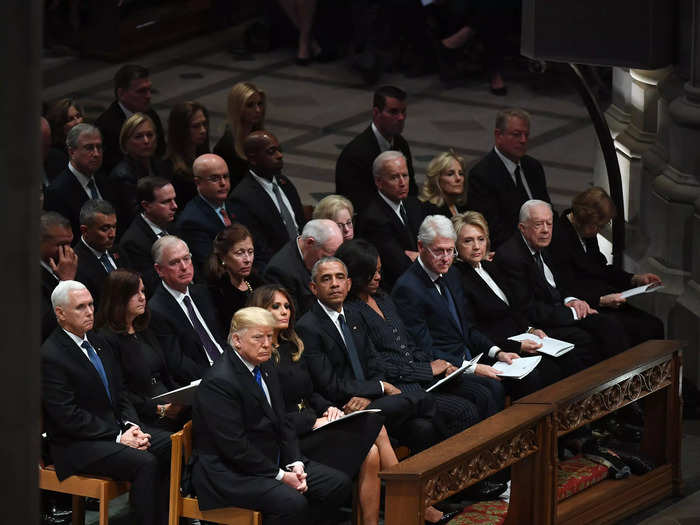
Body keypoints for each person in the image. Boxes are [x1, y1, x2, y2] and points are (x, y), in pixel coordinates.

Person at [248, 285, 456, 525]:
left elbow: (311, 391)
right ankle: (418, 505)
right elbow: (274, 413)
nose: (284, 311)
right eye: (275, 306)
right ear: (259, 310)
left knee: (372, 451)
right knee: (375, 426)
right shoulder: (260, 356)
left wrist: (327, 408)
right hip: (293, 437)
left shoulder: (291, 346)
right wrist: (314, 419)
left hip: (315, 421)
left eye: (286, 306)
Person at [191, 307, 352, 525]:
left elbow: (282, 419)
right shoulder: (219, 382)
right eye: (258, 337)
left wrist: (295, 462)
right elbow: (234, 447)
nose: (267, 344)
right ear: (237, 340)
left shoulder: (265, 364)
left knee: (338, 484)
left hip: (269, 458)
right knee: (293, 503)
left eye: (269, 336)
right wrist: (281, 476)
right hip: (231, 473)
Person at [41, 280, 171, 525]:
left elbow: (120, 392)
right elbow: (68, 417)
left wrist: (132, 426)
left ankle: (163, 518)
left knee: (169, 444)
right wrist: (118, 436)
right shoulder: (51, 355)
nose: (90, 311)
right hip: (75, 445)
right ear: (60, 313)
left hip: (109, 431)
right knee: (146, 462)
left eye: (91, 304)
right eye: (80, 307)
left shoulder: (97, 341)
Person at [337, 239, 495, 431]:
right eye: (372, 273)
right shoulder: (351, 312)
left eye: (379, 270)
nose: (378, 277)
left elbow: (408, 344)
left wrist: (441, 366)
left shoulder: (383, 298)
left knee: (484, 391)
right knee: (465, 411)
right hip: (400, 387)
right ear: (356, 275)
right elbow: (377, 364)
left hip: (421, 376)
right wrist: (428, 369)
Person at [297, 257, 447, 454]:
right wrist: (380, 387)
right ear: (313, 287)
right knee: (423, 400)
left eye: (340, 277)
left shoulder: (353, 314)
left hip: (372, 401)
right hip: (343, 409)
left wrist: (371, 394)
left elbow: (375, 362)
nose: (334, 284)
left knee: (423, 429)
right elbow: (329, 385)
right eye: (326, 279)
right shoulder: (308, 327)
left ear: (348, 284)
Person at [391, 215, 512, 406]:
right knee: (488, 390)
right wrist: (472, 368)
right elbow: (424, 349)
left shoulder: (452, 274)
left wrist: (497, 352)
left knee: (514, 376)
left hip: (467, 357)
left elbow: (467, 328)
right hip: (443, 370)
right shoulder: (408, 288)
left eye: (450, 250)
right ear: (421, 247)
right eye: (439, 251)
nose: (446, 258)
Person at [494, 200, 630, 366]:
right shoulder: (511, 256)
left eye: (549, 224)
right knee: (590, 337)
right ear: (522, 228)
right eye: (538, 224)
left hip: (558, 310)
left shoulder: (545, 245)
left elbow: (560, 284)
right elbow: (528, 308)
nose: (545, 230)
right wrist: (572, 313)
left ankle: (623, 381)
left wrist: (571, 300)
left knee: (609, 324)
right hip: (539, 323)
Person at [451, 211, 581, 380]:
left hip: (521, 336)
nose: (476, 246)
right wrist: (517, 346)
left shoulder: (489, 267)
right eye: (468, 241)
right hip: (498, 348)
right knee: (548, 371)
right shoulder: (457, 278)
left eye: (481, 239)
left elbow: (513, 308)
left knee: (569, 356)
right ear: (455, 245)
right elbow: (476, 329)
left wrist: (531, 329)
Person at [549, 187, 664, 346]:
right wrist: (601, 300)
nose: (599, 231)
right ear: (588, 221)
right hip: (585, 305)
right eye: (598, 226)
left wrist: (635, 279)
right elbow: (566, 286)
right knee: (619, 332)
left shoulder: (587, 233)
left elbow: (601, 269)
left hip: (603, 297)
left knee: (653, 325)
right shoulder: (559, 237)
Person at [96, 269, 187, 432]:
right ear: (119, 298)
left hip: (168, 401)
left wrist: (180, 397)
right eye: (134, 293)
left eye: (143, 291)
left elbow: (165, 373)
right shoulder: (106, 339)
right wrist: (160, 409)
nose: (142, 297)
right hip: (145, 414)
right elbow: (122, 393)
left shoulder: (143, 327)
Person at [467, 109, 552, 249]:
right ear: (498, 135)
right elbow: (492, 228)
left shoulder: (533, 167)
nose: (523, 140)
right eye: (517, 135)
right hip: (510, 251)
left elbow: (548, 209)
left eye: (526, 135)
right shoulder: (482, 175)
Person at [148, 235, 226, 384]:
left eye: (186, 258)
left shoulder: (202, 292)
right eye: (174, 262)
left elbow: (222, 336)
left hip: (228, 366)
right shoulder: (156, 310)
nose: (184, 267)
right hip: (206, 380)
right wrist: (218, 377)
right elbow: (178, 364)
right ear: (159, 270)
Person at [228, 131, 305, 269]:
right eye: (271, 152)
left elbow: (301, 225)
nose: (279, 155)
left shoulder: (284, 183)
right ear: (252, 158)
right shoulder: (242, 198)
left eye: (279, 150)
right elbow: (258, 249)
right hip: (278, 268)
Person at [335, 85, 417, 211]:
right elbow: (354, 204)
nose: (401, 117)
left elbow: (411, 190)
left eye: (403, 111)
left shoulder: (401, 144)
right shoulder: (355, 155)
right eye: (393, 112)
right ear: (376, 113)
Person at [357, 151, 426, 290]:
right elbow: (400, 265)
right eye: (394, 177)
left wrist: (420, 255)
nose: (402, 183)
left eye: (405, 176)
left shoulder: (413, 204)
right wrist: (427, 255)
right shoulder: (373, 218)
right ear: (379, 182)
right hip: (396, 289)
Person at [45, 123, 113, 240]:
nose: (96, 154)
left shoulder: (105, 182)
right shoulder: (57, 192)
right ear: (72, 152)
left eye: (99, 147)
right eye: (89, 148)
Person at [95, 64, 166, 173]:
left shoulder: (151, 115)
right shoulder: (105, 126)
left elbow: (160, 151)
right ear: (121, 93)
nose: (148, 96)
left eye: (149, 90)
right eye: (141, 91)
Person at [264, 219, 343, 315]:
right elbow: (293, 318)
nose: (331, 263)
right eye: (326, 257)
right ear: (310, 243)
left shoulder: (321, 251)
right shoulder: (280, 271)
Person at [119, 177, 178, 296]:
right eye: (166, 202)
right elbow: (151, 286)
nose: (174, 206)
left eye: (174, 199)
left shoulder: (174, 226)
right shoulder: (133, 242)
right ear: (146, 206)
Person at [175, 153, 235, 270]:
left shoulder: (235, 204)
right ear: (198, 182)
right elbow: (210, 266)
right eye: (215, 178)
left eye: (226, 176)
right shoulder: (192, 221)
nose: (223, 183)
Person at [110, 113, 167, 230]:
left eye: (150, 135)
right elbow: (135, 217)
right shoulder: (122, 176)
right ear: (126, 142)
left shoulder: (161, 166)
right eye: (138, 136)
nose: (146, 141)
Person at [206, 223, 264, 335]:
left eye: (250, 252)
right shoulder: (217, 293)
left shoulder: (257, 282)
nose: (247, 259)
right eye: (240, 253)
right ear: (223, 257)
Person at [213, 82, 265, 188]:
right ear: (238, 108)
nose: (258, 110)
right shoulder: (227, 146)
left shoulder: (260, 136)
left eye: (259, 104)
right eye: (250, 105)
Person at [163, 101, 210, 208]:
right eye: (196, 126)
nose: (203, 130)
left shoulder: (204, 156)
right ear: (181, 130)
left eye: (204, 124)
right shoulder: (170, 169)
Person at [40, 212, 78, 342]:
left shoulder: (69, 264)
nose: (69, 251)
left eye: (70, 244)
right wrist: (66, 283)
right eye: (61, 245)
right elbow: (45, 327)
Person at [74, 199, 119, 308]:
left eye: (114, 226)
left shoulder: (118, 249)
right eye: (105, 229)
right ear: (85, 231)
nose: (112, 234)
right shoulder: (76, 263)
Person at [44, 98, 84, 181]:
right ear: (60, 125)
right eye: (71, 119)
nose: (77, 122)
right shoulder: (56, 155)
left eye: (78, 116)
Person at [419, 150, 468, 217]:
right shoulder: (430, 211)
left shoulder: (463, 208)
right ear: (437, 179)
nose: (458, 178)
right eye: (450, 174)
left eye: (460, 173)